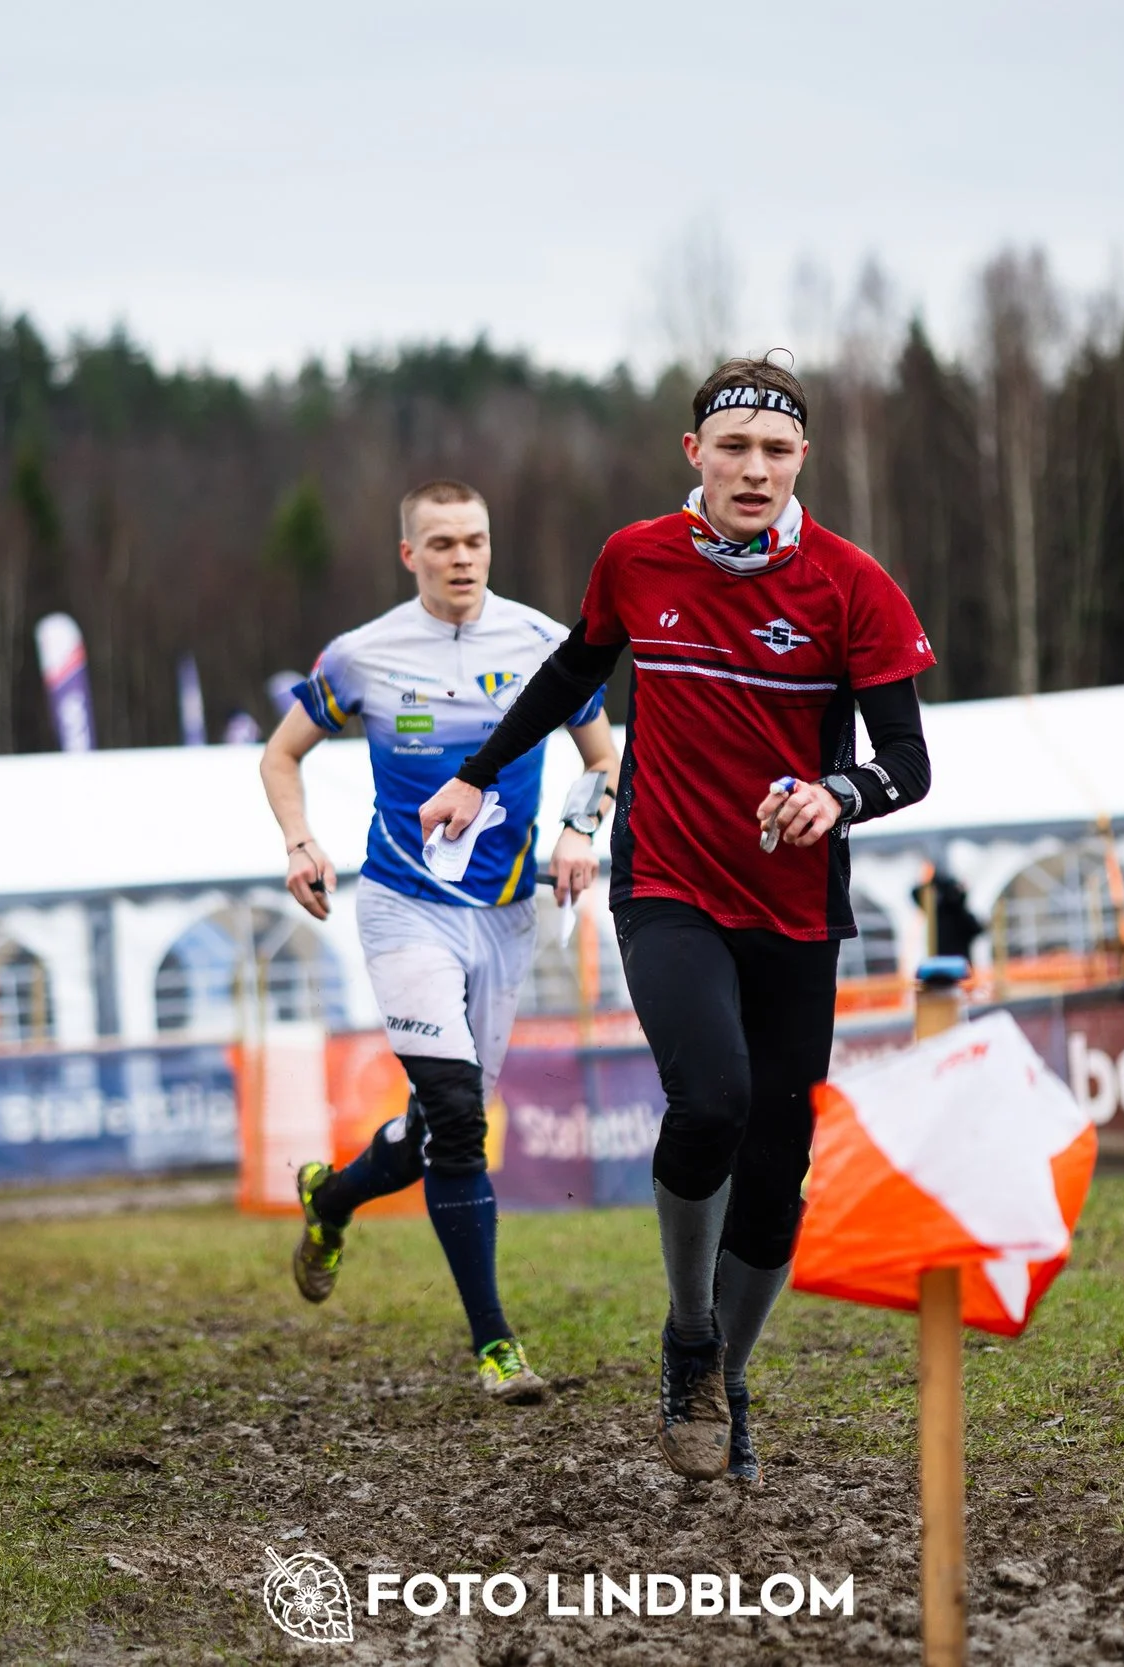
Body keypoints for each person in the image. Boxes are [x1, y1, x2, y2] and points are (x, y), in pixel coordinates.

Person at [418, 356, 935, 1482]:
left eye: (778, 450)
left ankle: (726, 1373)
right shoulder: (634, 557)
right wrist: (476, 771)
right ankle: (688, 1335)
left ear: (804, 461)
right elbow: (569, 676)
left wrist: (836, 791)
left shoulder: (851, 584)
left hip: (797, 911)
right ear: (693, 453)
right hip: (669, 884)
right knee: (714, 1099)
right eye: (735, 446)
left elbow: (908, 761)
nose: (756, 468)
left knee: (779, 1158)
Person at [263, 479, 618, 1406]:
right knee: (460, 1119)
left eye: (477, 541)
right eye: (444, 543)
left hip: (506, 917)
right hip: (401, 909)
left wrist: (581, 830)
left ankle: (331, 1198)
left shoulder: (544, 641)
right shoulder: (364, 655)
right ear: (408, 553)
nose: (464, 557)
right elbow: (280, 753)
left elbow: (606, 757)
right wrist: (301, 843)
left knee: (434, 1128)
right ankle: (496, 1345)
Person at [911, 864, 981, 962]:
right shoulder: (939, 911)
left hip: (954, 961)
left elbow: (977, 929)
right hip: (946, 959)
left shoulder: (958, 915)